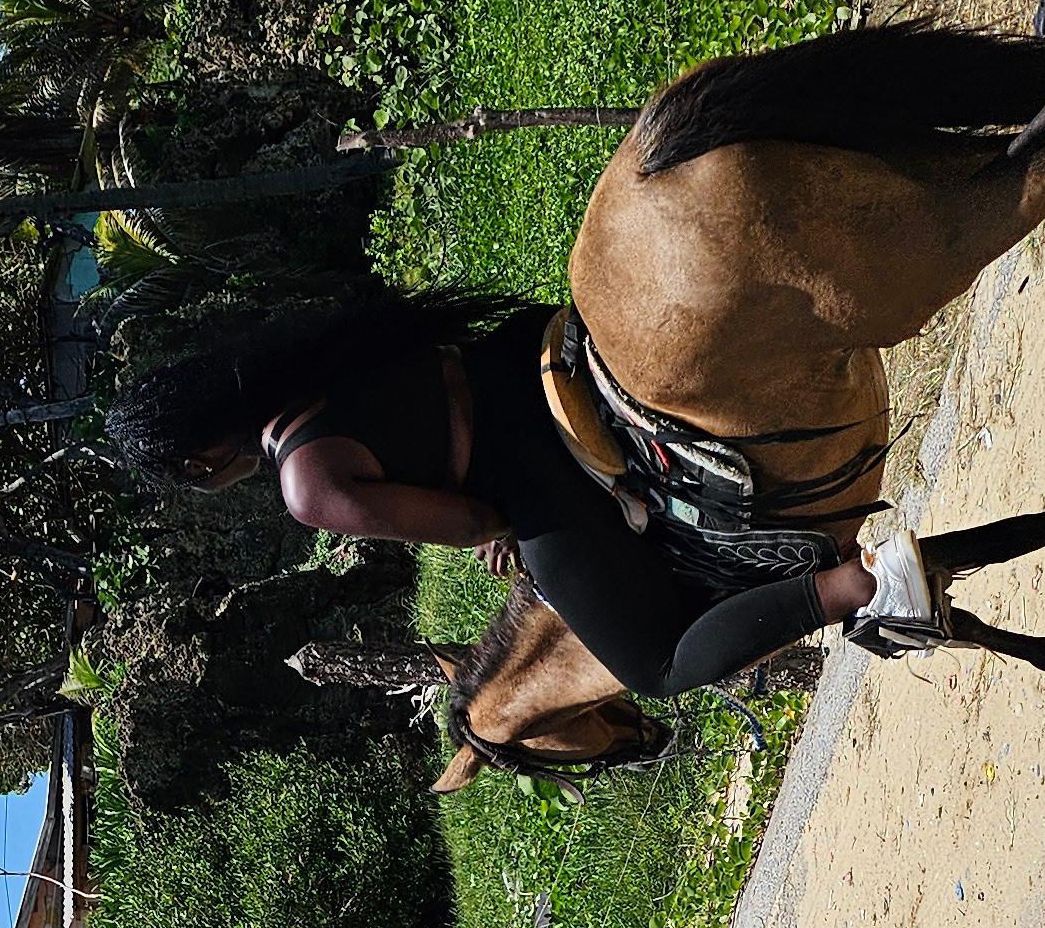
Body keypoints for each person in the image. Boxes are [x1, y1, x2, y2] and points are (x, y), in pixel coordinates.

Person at [106, 280, 938, 698]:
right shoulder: (298, 354)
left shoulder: (304, 480)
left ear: (198, 463)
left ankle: (860, 587)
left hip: (524, 461)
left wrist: (495, 535)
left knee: (654, 665)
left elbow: (471, 518)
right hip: (522, 354)